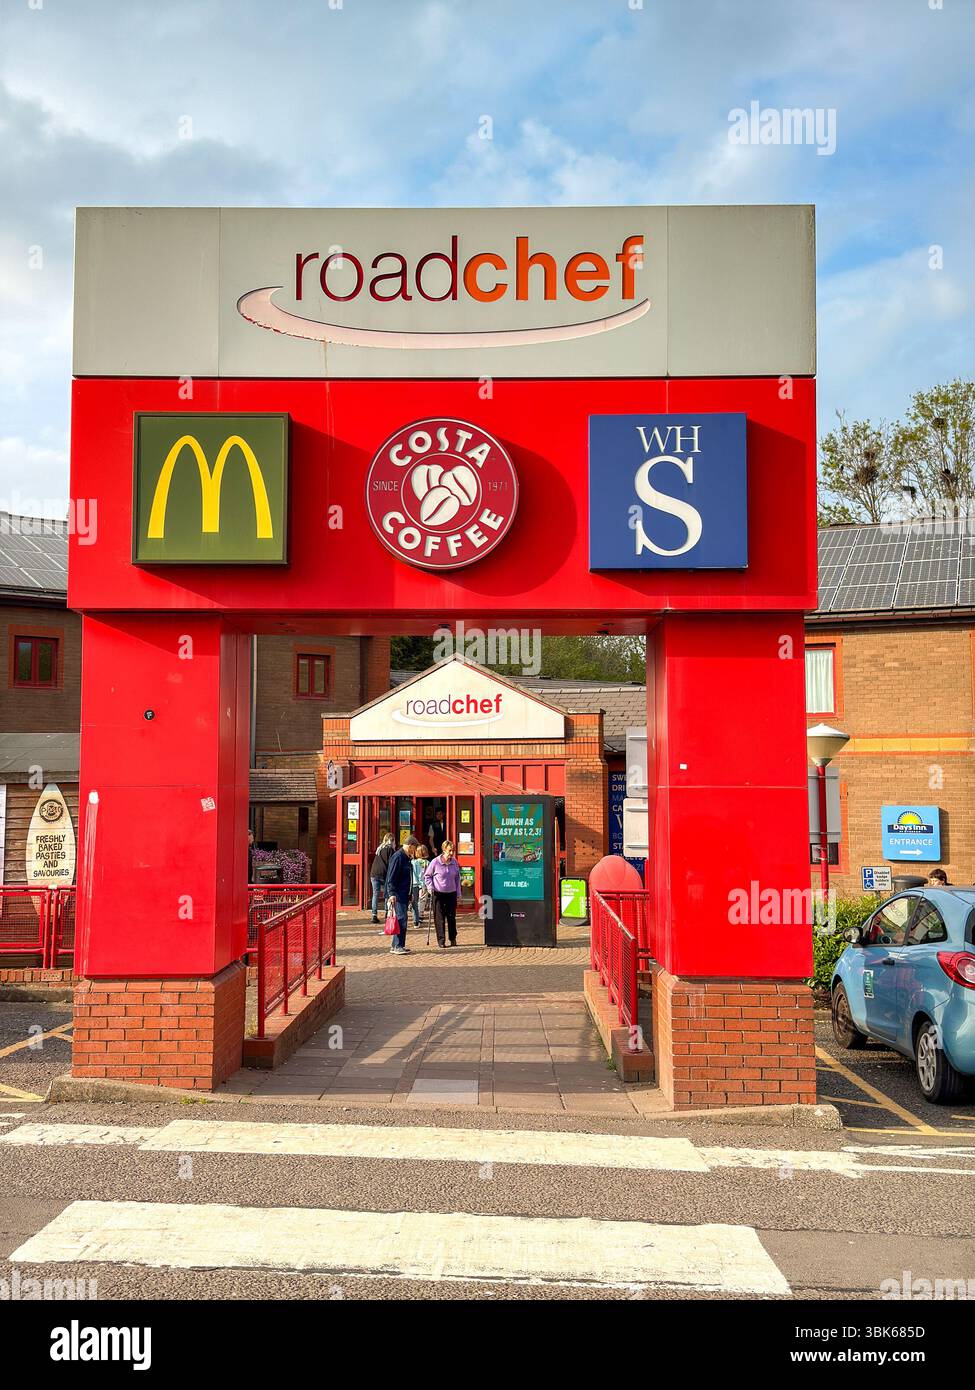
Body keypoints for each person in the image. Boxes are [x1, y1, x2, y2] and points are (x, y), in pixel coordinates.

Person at [385, 835, 419, 955]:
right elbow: (391, 877)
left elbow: (407, 878)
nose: (415, 851)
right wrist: (392, 893)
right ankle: (398, 945)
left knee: (402, 919)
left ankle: (397, 945)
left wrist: (410, 894)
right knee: (400, 919)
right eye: (414, 848)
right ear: (410, 846)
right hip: (398, 894)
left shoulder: (406, 858)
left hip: (404, 894)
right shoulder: (398, 857)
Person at [424, 839, 461, 948]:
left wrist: (458, 893)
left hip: (451, 893)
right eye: (449, 851)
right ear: (444, 850)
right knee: (439, 918)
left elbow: (457, 879)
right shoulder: (435, 862)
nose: (451, 853)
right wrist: (430, 887)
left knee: (451, 917)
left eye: (453, 851)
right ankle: (441, 940)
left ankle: (453, 938)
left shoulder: (454, 862)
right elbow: (427, 876)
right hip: (438, 894)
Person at [369, 833, 394, 925]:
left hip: (374, 873)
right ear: (392, 841)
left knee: (375, 894)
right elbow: (391, 863)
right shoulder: (390, 849)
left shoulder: (380, 848)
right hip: (383, 874)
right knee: (387, 893)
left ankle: (374, 915)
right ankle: (387, 913)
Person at [411, 844, 430, 929]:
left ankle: (416, 914)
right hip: (424, 883)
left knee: (415, 900)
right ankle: (420, 914)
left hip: (414, 883)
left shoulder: (413, 862)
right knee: (422, 900)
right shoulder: (427, 863)